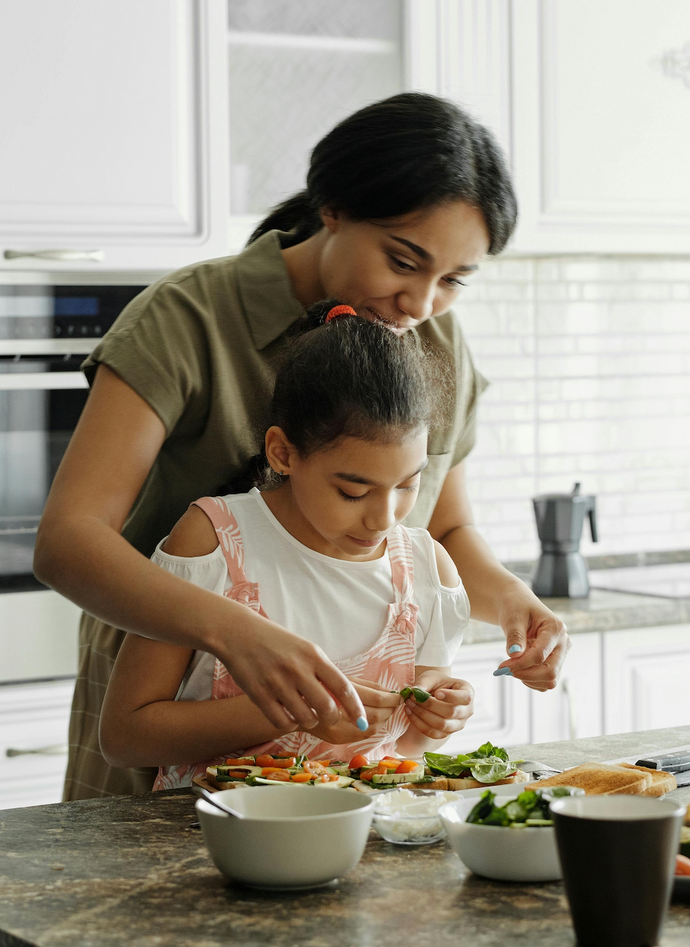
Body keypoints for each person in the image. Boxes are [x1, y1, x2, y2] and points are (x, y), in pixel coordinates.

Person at [35, 92, 571, 799]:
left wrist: (510, 602)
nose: (422, 302)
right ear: (335, 209)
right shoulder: (187, 318)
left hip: (343, 771)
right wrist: (237, 634)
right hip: (169, 711)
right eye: (403, 261)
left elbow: (442, 527)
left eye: (452, 281)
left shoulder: (433, 340)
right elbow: (68, 541)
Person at [101, 302, 473, 787]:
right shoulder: (214, 542)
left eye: (408, 484)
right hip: (211, 842)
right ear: (283, 452)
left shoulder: (427, 570)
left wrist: (436, 721)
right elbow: (125, 737)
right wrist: (290, 712)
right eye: (353, 491)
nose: (384, 518)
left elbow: (404, 750)